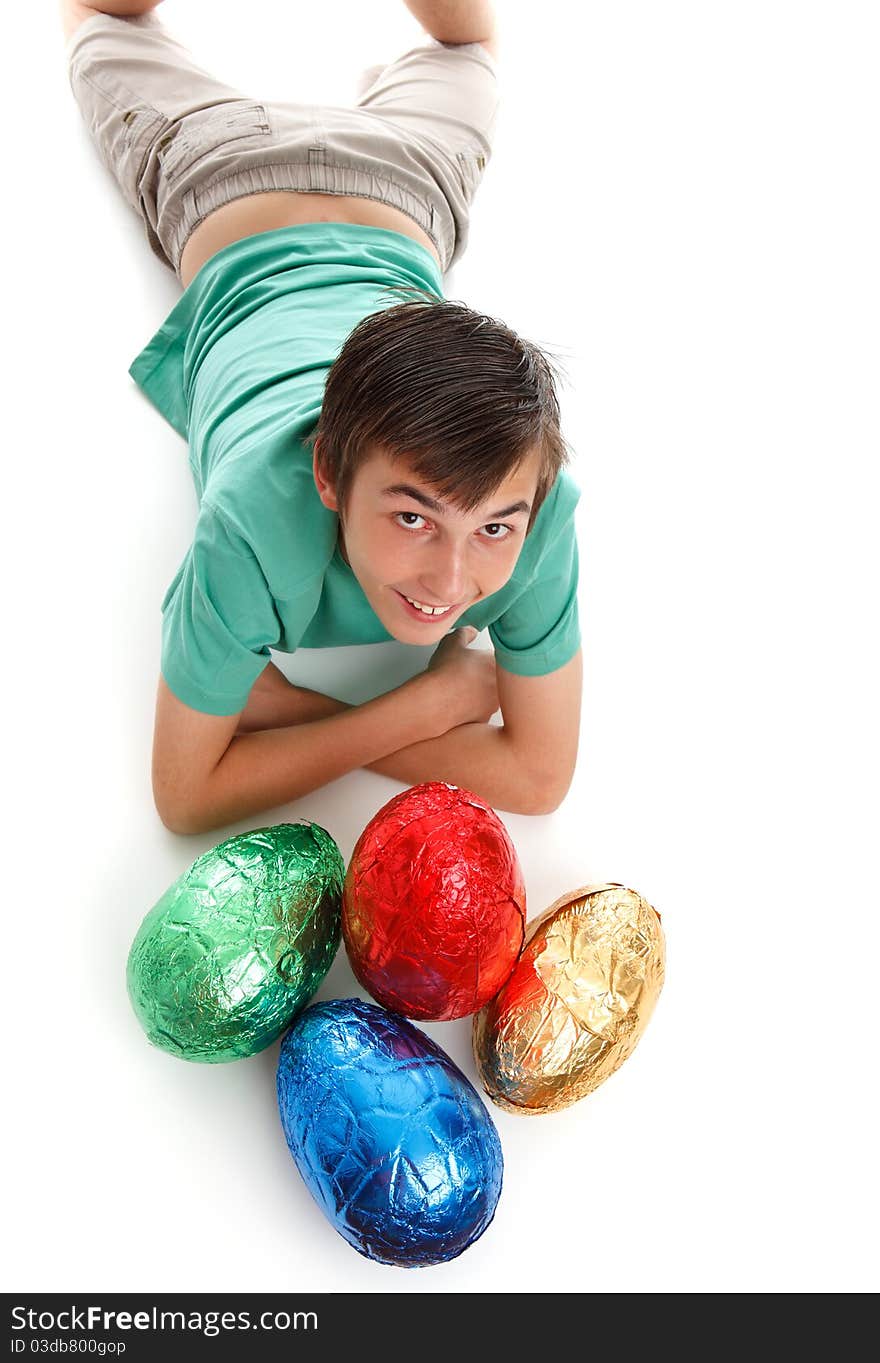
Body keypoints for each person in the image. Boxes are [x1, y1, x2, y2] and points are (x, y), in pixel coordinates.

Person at [61, 0, 583, 835]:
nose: (451, 584)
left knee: (473, 43)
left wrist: (286, 707)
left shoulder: (534, 494)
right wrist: (423, 707)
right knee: (91, 17)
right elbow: (185, 796)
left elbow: (539, 775)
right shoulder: (252, 522)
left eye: (491, 529)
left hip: (400, 183)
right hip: (224, 175)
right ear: (327, 476)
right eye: (413, 515)